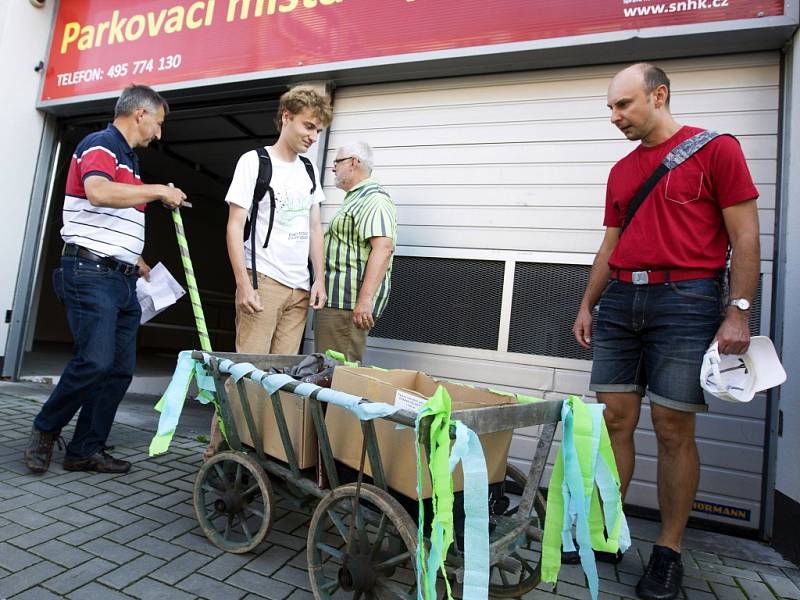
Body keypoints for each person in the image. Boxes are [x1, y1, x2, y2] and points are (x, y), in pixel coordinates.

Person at [572, 63, 759, 600]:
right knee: (614, 420)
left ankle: (669, 551)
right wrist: (589, 303)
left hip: (687, 300)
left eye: (623, 105)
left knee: (674, 428)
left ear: (658, 95)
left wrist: (739, 310)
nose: (614, 117)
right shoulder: (622, 171)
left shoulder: (716, 150)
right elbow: (610, 245)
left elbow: (745, 236)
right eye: (610, 107)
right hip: (622, 299)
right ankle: (607, 532)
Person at [24, 85, 186, 474]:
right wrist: (159, 192)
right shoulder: (102, 144)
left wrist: (138, 258)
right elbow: (97, 192)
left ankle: (84, 449)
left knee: (118, 370)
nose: (159, 134)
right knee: (95, 362)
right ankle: (45, 428)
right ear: (141, 114)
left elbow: (112, 217)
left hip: (123, 279)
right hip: (90, 274)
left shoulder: (128, 162)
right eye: (158, 124)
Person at [203, 86, 332, 459]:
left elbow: (314, 227)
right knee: (244, 374)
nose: (312, 136)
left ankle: (258, 453)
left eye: (319, 131)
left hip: (299, 288)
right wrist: (243, 283)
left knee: (279, 379)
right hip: (264, 283)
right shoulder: (254, 162)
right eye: (308, 126)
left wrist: (319, 278)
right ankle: (218, 454)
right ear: (286, 117)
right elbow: (233, 226)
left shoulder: (308, 169)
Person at [314, 142, 396, 362]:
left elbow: (384, 248)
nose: (333, 168)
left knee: (337, 377)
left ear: (353, 162)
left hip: (347, 306)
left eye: (336, 162)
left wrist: (364, 301)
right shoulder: (356, 198)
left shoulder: (373, 198)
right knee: (328, 373)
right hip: (339, 304)